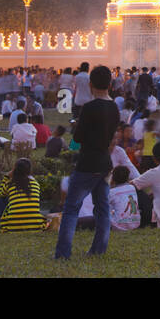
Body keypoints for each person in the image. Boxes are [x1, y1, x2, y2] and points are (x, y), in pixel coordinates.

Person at [54, 65, 121, 260]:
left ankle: (63, 253)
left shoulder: (89, 108)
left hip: (87, 163)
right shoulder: (114, 107)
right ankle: (99, 249)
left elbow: (79, 137)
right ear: (110, 84)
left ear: (90, 84)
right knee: (102, 208)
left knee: (71, 209)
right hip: (104, 163)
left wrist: (76, 132)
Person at [0, 158, 48, 231]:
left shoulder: (9, 184)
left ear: (14, 170)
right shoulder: (35, 184)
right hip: (35, 226)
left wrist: (7, 177)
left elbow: (0, 194)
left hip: (12, 227)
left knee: (1, 201)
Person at [107, 165, 141, 232]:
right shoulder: (132, 188)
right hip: (135, 223)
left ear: (113, 178)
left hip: (118, 226)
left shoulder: (112, 192)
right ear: (128, 177)